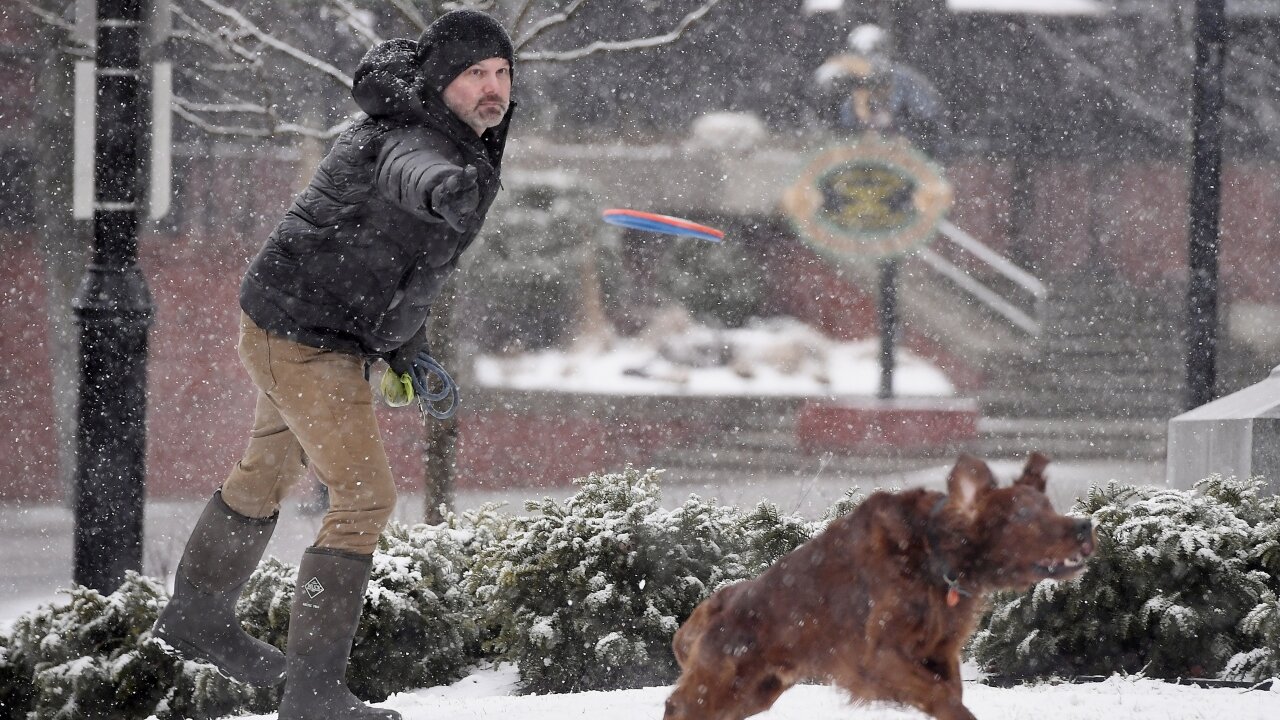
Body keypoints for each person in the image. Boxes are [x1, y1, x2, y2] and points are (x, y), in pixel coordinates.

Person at [151, 9, 515, 720]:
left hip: (290, 321)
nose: (492, 89)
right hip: (307, 339)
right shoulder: (416, 143)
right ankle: (312, 692)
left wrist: (410, 348)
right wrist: (445, 186)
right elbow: (410, 171)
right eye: (476, 75)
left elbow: (408, 266)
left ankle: (196, 620)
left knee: (266, 473)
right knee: (364, 499)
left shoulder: (443, 131)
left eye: (502, 74)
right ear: (442, 81)